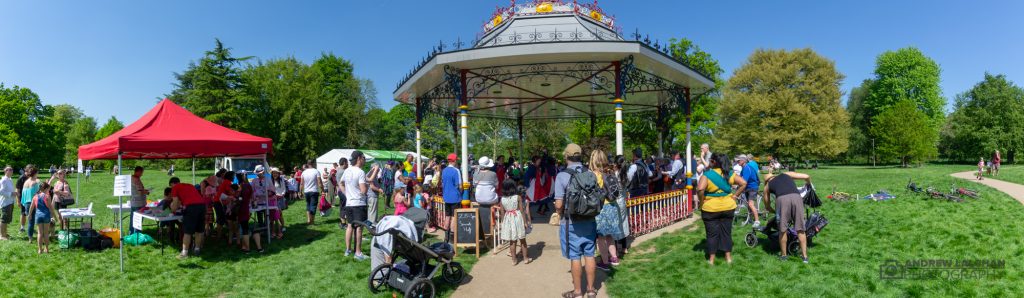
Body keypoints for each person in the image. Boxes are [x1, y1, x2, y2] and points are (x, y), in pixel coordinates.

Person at [552, 144, 598, 298]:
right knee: (590, 254)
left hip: (571, 221)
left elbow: (559, 205)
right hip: (590, 219)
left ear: (566, 156)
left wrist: (557, 210)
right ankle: (591, 290)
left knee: (575, 256)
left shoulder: (562, 175)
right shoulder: (590, 173)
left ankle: (578, 292)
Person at [696, 153, 746, 265]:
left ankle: (711, 260)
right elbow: (743, 183)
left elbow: (700, 189)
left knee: (712, 234)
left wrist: (701, 201)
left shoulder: (707, 175)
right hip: (728, 207)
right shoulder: (730, 174)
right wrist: (735, 196)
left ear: (713, 162)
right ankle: (728, 258)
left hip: (711, 208)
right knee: (726, 232)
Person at [763, 171, 812, 263]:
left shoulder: (767, 186)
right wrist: (808, 184)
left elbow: (767, 205)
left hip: (782, 200)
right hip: (796, 198)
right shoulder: (786, 174)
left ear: (767, 181)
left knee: (782, 230)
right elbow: (806, 175)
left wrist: (774, 211)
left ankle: (784, 256)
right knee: (800, 228)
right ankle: (805, 257)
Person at [591, 150, 623, 271]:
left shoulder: (594, 174)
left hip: (602, 207)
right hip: (612, 206)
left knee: (601, 237)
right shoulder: (610, 171)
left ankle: (604, 262)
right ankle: (614, 258)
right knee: (610, 235)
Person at [339, 150, 369, 260]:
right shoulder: (360, 172)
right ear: (359, 158)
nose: (364, 160)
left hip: (349, 203)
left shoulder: (347, 171)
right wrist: (366, 188)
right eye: (364, 158)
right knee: (359, 228)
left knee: (350, 226)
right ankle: (358, 252)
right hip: (359, 203)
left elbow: (341, 184)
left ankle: (348, 250)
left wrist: (347, 194)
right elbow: (363, 190)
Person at [169, 177, 207, 259]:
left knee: (187, 232)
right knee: (199, 230)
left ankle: (184, 253)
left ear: (172, 184)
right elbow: (181, 200)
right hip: (202, 206)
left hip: (191, 207)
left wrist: (172, 210)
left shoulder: (175, 188)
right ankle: (197, 249)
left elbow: (175, 203)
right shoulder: (189, 185)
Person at [498, 178, 532, 265]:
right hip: (518, 218)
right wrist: (525, 222)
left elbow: (502, 213)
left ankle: (514, 260)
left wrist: (503, 223)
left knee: (512, 241)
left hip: (508, 219)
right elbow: (522, 210)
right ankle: (525, 258)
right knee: (522, 240)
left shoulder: (502, 199)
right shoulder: (518, 197)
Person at [236, 172, 263, 253]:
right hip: (248, 207)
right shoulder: (248, 185)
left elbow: (238, 198)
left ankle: (247, 248)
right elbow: (252, 196)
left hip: (242, 208)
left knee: (245, 228)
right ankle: (254, 247)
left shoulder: (240, 186)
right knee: (247, 227)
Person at [440, 153, 462, 242]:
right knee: (453, 217)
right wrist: (461, 192)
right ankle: (452, 237)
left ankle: (446, 236)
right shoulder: (456, 171)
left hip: (446, 196)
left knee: (447, 216)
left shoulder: (444, 170)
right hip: (455, 197)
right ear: (455, 160)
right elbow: (459, 185)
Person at [474, 156, 500, 233]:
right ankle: (493, 220)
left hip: (479, 199)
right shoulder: (493, 174)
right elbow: (497, 186)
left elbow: (474, 185)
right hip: (491, 199)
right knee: (496, 201)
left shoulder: (475, 173)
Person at [736, 155, 762, 227]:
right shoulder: (743, 168)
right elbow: (739, 178)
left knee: (751, 204)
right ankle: (750, 219)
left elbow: (744, 180)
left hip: (752, 187)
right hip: (747, 187)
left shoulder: (747, 168)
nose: (737, 162)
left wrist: (738, 185)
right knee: (748, 205)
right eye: (737, 161)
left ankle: (757, 221)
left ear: (743, 161)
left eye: (739, 160)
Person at [28, 182, 54, 253]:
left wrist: (29, 215)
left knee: (39, 233)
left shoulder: (35, 196)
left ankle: (40, 249)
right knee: (46, 233)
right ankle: (47, 249)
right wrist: (55, 217)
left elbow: (31, 207)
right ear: (45, 189)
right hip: (46, 216)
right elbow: (51, 208)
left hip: (38, 216)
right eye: (48, 189)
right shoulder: (47, 196)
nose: (49, 190)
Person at [129, 166, 151, 234]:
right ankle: (137, 234)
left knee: (133, 219)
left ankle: (131, 233)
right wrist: (147, 192)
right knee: (138, 219)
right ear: (138, 171)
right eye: (141, 172)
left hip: (134, 201)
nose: (142, 174)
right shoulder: (136, 179)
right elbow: (140, 191)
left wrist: (144, 190)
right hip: (138, 202)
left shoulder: (132, 178)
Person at [300, 160, 323, 225]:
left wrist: (300, 192)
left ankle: (308, 220)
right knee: (313, 206)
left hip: (306, 191)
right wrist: (322, 190)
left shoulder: (304, 172)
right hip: (314, 191)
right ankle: (312, 221)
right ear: (313, 163)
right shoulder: (316, 171)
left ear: (307, 164)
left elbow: (301, 183)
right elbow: (319, 182)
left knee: (308, 205)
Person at [21, 167, 40, 240]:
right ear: (35, 173)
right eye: (37, 173)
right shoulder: (35, 182)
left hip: (26, 203)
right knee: (35, 221)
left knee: (30, 221)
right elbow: (38, 193)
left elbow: (23, 194)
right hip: (33, 203)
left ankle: (30, 238)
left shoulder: (26, 182)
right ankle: (36, 236)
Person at [271, 167, 287, 239]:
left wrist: (282, 194)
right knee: (276, 214)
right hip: (273, 199)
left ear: (278, 173)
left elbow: (284, 189)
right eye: (273, 173)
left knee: (280, 214)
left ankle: (282, 227)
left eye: (276, 173)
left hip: (280, 199)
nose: (275, 174)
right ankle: (277, 229)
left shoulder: (281, 180)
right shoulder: (270, 180)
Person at [0, 166, 15, 240]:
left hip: (10, 201)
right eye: (9, 170)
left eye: (12, 169)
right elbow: (1, 191)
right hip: (5, 202)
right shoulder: (4, 180)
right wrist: (11, 194)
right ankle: (2, 235)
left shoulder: (10, 179)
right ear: (5, 171)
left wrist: (13, 194)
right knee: (4, 219)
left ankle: (5, 233)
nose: (11, 171)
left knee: (7, 219)